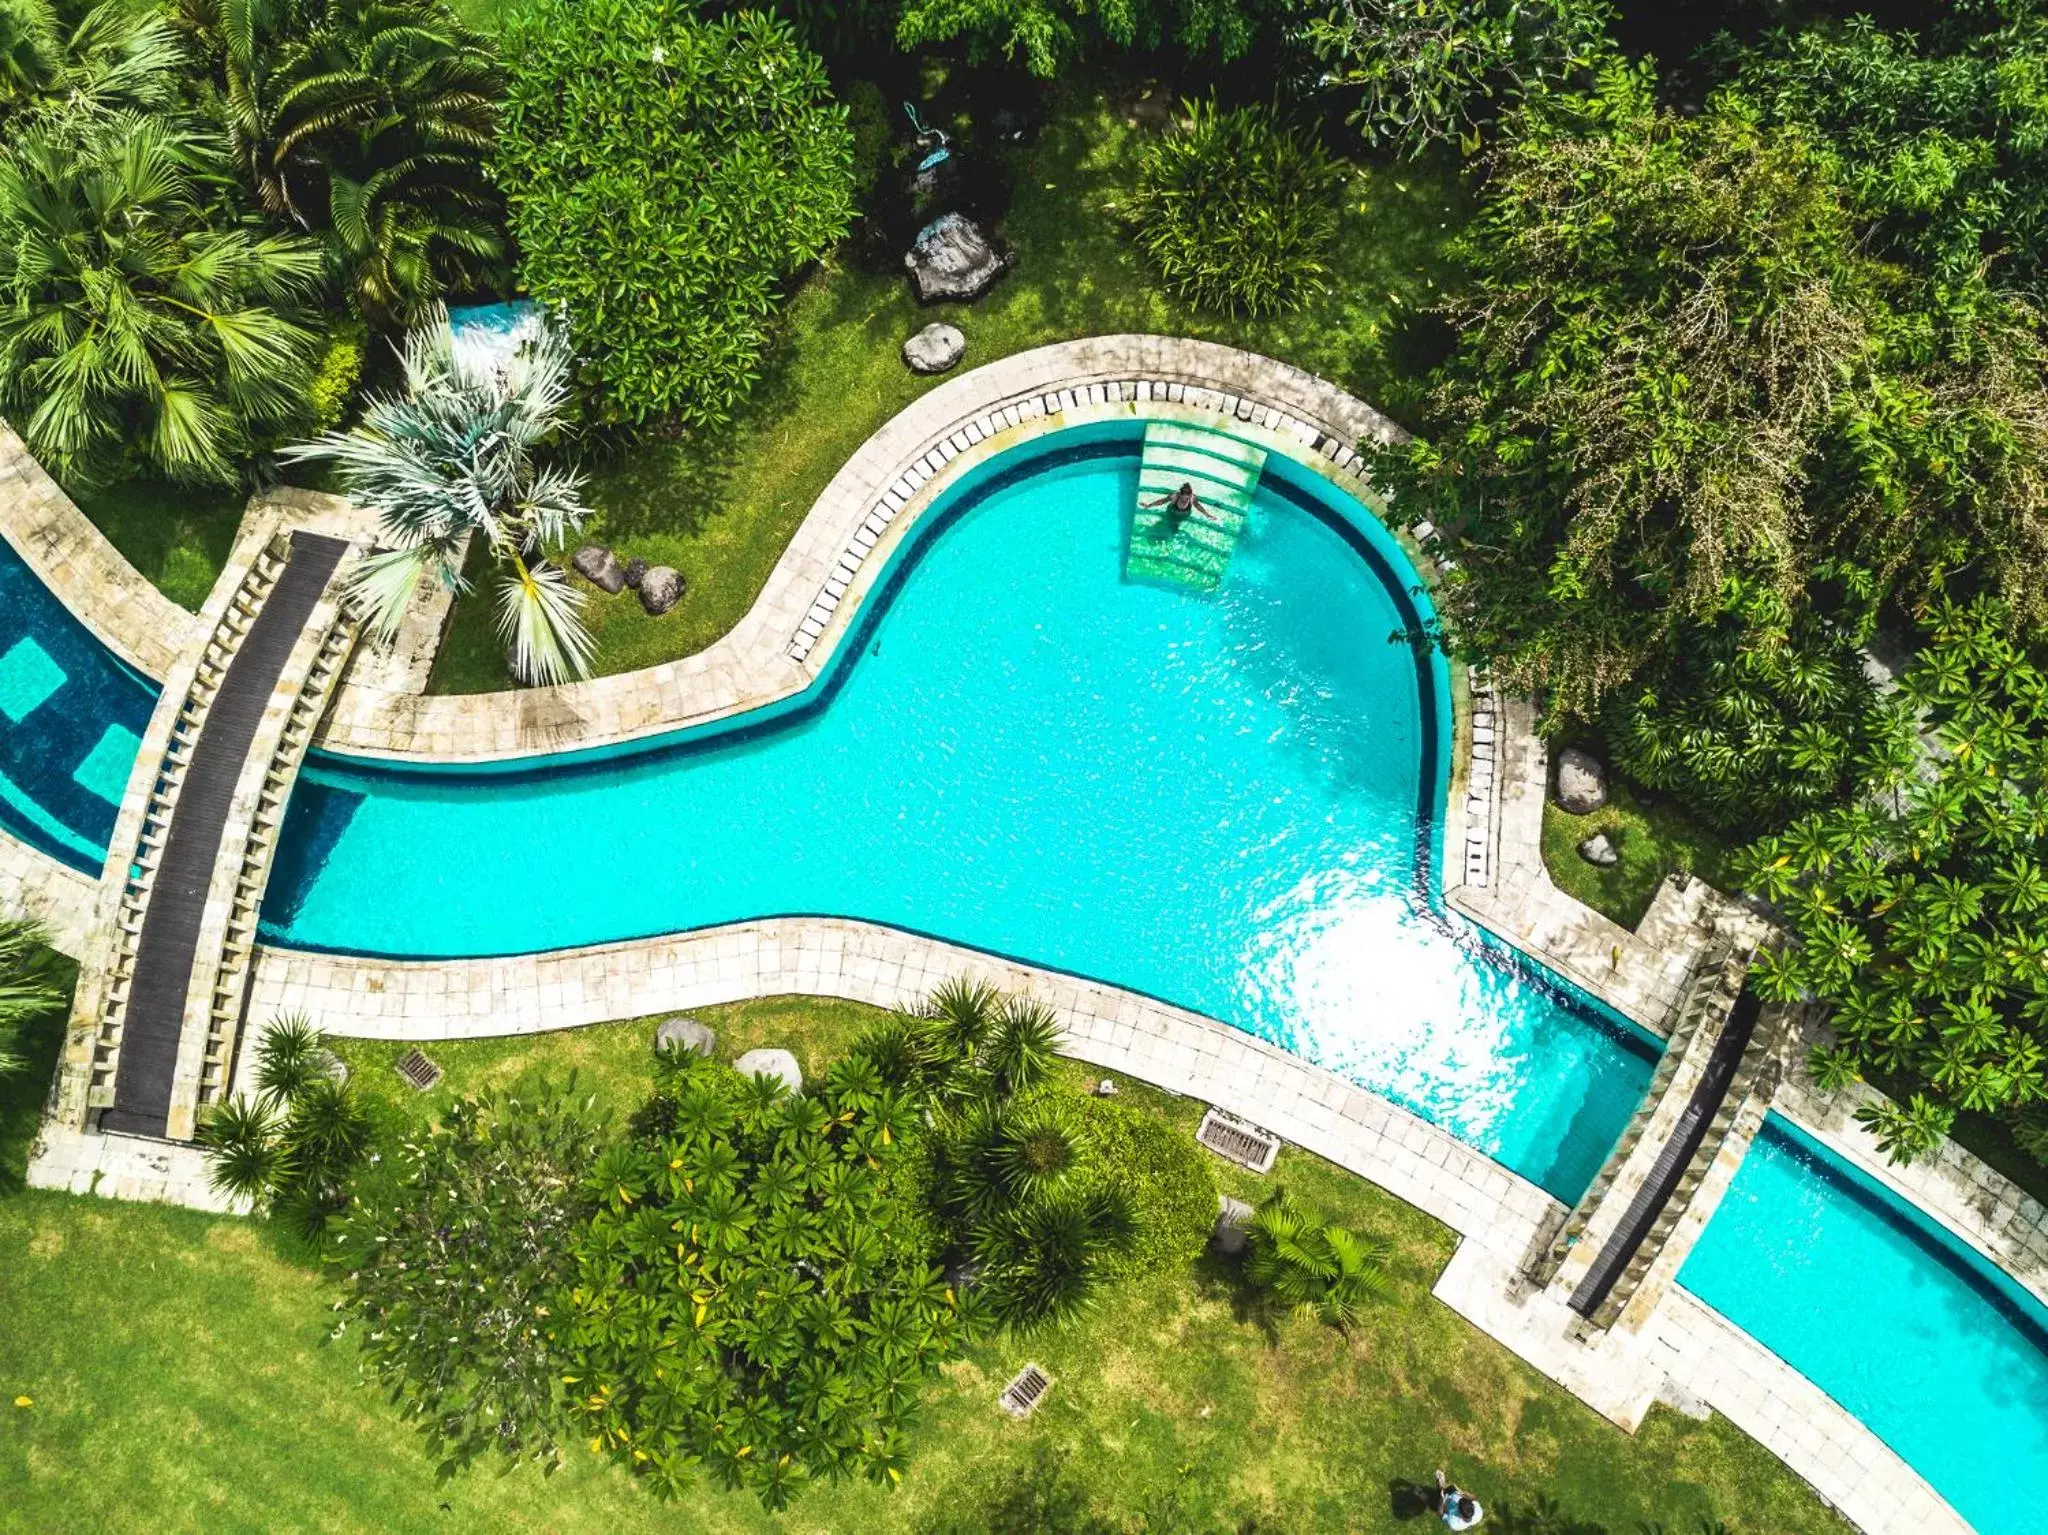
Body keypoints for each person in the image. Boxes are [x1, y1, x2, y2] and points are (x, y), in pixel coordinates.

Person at [1142, 480, 1206, 535]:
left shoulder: (1192, 498)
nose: (1187, 500)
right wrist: (1148, 505)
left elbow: (1198, 506)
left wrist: (1207, 514)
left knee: (1174, 530)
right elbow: (1161, 501)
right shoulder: (1174, 496)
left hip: (1183, 516)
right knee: (1163, 523)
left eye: (1189, 498)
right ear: (1180, 495)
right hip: (1171, 512)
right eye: (1186, 498)